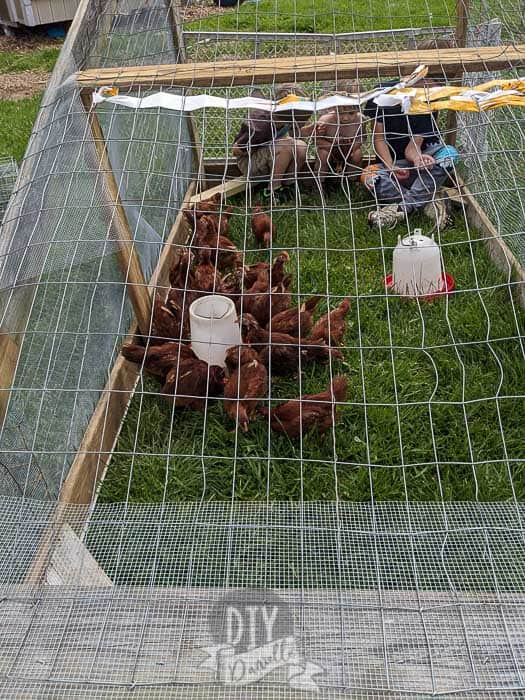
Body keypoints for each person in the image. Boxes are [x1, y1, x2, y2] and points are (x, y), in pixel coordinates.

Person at [362, 39, 458, 230]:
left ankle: (401, 208)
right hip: (391, 166)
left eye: (434, 85)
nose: (428, 89)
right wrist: (390, 168)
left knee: (450, 154)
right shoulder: (382, 94)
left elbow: (414, 145)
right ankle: (429, 200)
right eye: (426, 83)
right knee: (368, 176)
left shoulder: (427, 101)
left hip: (423, 166)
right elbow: (379, 139)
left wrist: (418, 159)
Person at [232, 86, 308, 204]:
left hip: (272, 156)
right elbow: (236, 150)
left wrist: (313, 129)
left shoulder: (286, 120)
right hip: (248, 162)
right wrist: (264, 147)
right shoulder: (260, 124)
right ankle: (271, 191)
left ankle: (289, 186)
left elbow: (295, 134)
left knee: (301, 146)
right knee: (286, 145)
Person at [301, 81, 365, 190]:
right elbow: (316, 141)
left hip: (349, 150)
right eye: (340, 113)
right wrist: (330, 145)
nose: (345, 118)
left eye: (351, 113)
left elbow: (363, 136)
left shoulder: (360, 120)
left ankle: (351, 182)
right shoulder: (326, 120)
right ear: (333, 106)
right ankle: (319, 183)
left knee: (358, 154)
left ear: (360, 107)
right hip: (330, 150)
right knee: (323, 155)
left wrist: (355, 145)